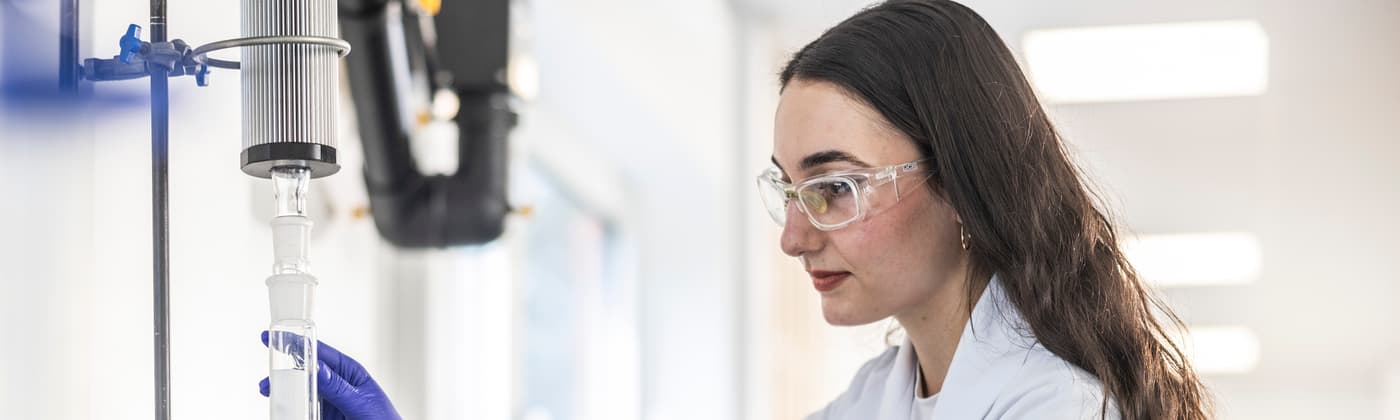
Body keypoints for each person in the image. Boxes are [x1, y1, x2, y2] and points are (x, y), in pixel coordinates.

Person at [259, 1, 1212, 419]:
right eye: (789, 191)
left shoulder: (1049, 405)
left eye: (833, 189)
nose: (795, 235)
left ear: (963, 180)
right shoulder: (890, 396)